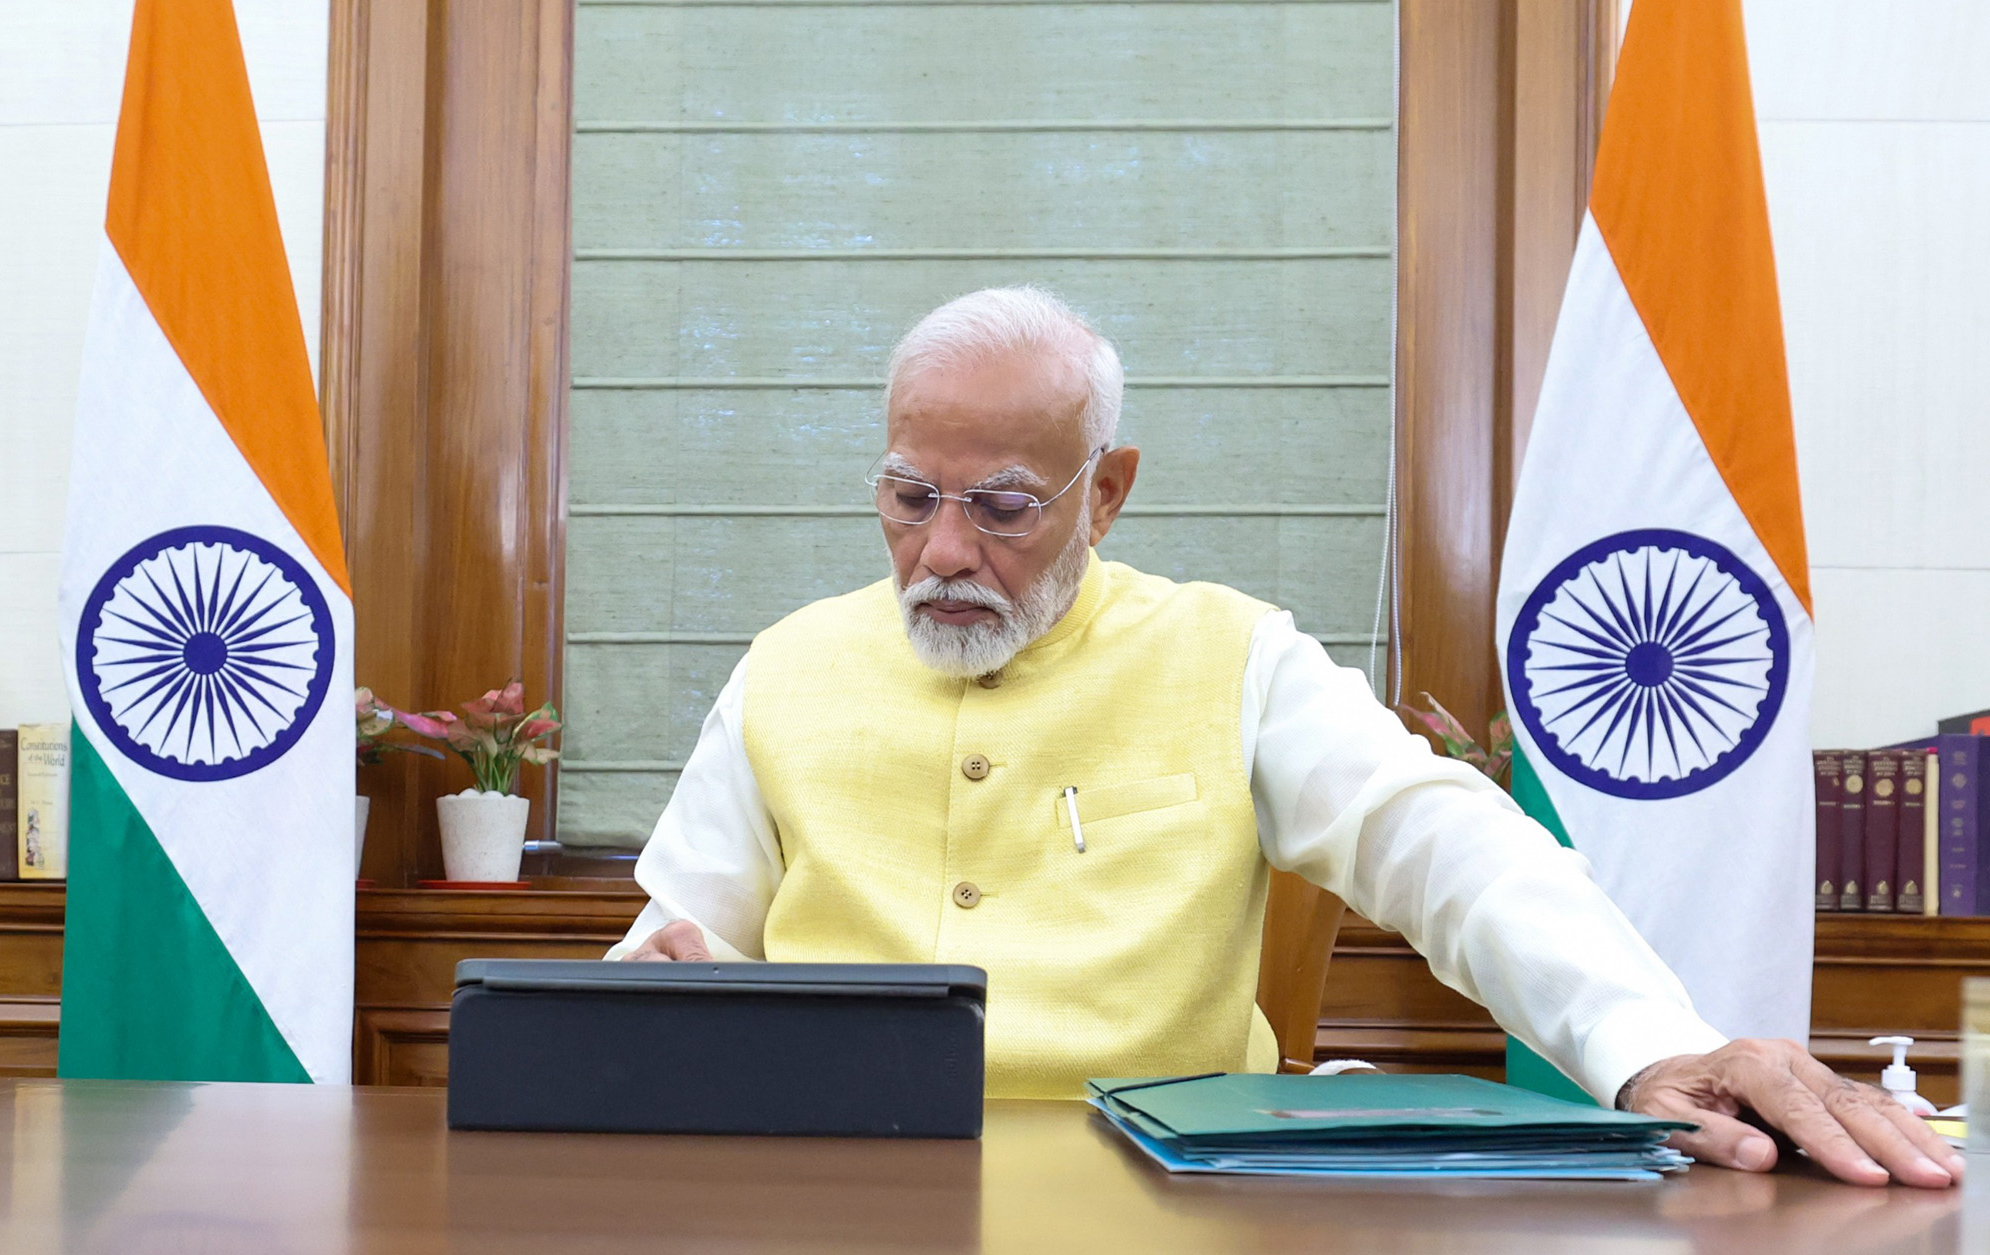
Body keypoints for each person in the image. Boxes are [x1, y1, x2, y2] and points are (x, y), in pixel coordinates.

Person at [611, 286, 1959, 1189]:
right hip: (844, 1192)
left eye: (1005, 507)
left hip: (1161, 1196)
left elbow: (1454, 851)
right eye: (911, 498)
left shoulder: (1232, 652)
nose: (944, 551)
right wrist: (649, 991)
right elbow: (672, 947)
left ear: (1109, 491)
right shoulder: (787, 666)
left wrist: (1648, 1043)